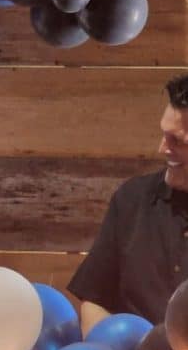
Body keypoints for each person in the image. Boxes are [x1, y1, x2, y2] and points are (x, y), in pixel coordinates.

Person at [68, 73, 188, 333]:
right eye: (163, 135)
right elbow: (96, 298)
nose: (162, 149)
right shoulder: (132, 199)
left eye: (176, 141)